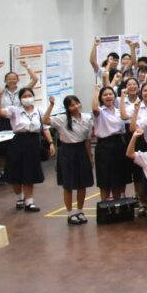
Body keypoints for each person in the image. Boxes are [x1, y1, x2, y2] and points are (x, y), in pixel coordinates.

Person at [0, 87, 50, 211]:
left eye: (29, 95)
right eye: (24, 96)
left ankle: (29, 202)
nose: (27, 98)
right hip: (18, 142)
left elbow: (45, 127)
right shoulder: (14, 110)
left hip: (33, 143)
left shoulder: (39, 110)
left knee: (29, 173)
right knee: (15, 172)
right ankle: (19, 198)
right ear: (20, 99)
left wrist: (51, 142)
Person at [47, 95, 94, 226]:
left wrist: (90, 157)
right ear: (67, 108)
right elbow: (45, 120)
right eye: (72, 105)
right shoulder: (62, 119)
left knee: (82, 184)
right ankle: (70, 213)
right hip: (67, 152)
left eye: (77, 103)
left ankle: (80, 211)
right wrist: (51, 105)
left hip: (81, 151)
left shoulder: (87, 118)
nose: (76, 107)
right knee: (68, 185)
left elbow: (87, 140)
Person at [92, 84, 130, 201]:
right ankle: (105, 205)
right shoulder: (100, 111)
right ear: (101, 98)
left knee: (118, 179)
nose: (108, 96)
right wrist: (96, 91)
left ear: (114, 96)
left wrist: (123, 97)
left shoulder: (119, 112)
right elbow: (94, 108)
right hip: (104, 146)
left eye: (110, 94)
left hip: (119, 144)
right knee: (104, 179)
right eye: (105, 95)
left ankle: (117, 205)